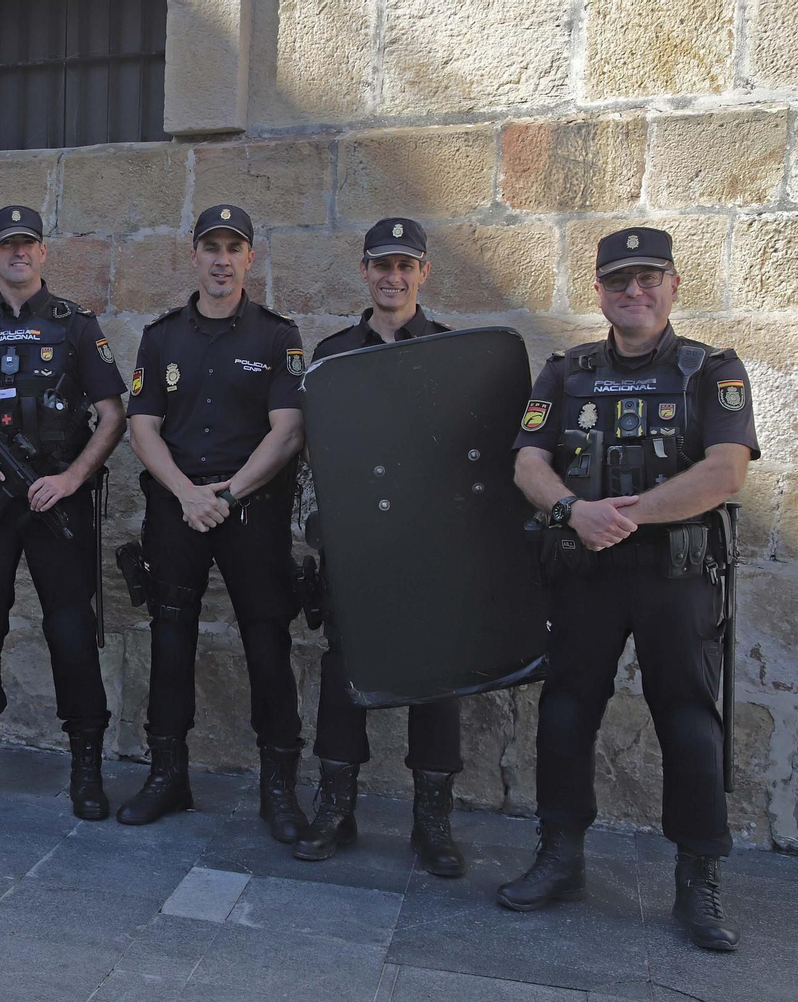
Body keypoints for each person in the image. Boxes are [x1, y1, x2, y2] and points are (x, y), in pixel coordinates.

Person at [499, 226, 759, 952]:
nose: (634, 292)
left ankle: (698, 879)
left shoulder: (712, 369)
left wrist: (622, 516)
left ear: (674, 285)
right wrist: (572, 512)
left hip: (675, 576)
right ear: (601, 292)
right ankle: (560, 857)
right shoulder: (567, 371)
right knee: (565, 709)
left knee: (689, 721)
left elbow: (726, 473)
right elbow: (527, 462)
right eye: (619, 281)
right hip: (584, 572)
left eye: (648, 278)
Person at [0, 206, 126, 819]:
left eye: (28, 244)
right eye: (6, 245)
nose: (18, 253)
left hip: (54, 501)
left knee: (70, 631)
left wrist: (71, 478)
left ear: (44, 253)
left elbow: (113, 414)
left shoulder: (75, 326)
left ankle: (86, 765)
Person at [120, 205, 307, 833]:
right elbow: (140, 425)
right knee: (170, 639)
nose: (222, 259)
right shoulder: (162, 336)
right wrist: (185, 493)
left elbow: (287, 432)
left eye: (234, 247)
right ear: (193, 256)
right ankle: (167, 775)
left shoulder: (279, 337)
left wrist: (226, 495)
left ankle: (278, 787)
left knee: (267, 641)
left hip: (250, 507)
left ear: (251, 257)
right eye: (211, 248)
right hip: (178, 507)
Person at [295, 218, 465, 877]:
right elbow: (314, 452)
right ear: (364, 272)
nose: (393, 277)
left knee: (436, 680)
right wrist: (318, 530)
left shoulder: (451, 351)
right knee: (345, 674)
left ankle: (433, 822)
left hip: (427, 550)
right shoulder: (333, 352)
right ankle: (337, 809)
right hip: (356, 546)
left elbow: (463, 458)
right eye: (381, 265)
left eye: (406, 265)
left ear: (423, 273)